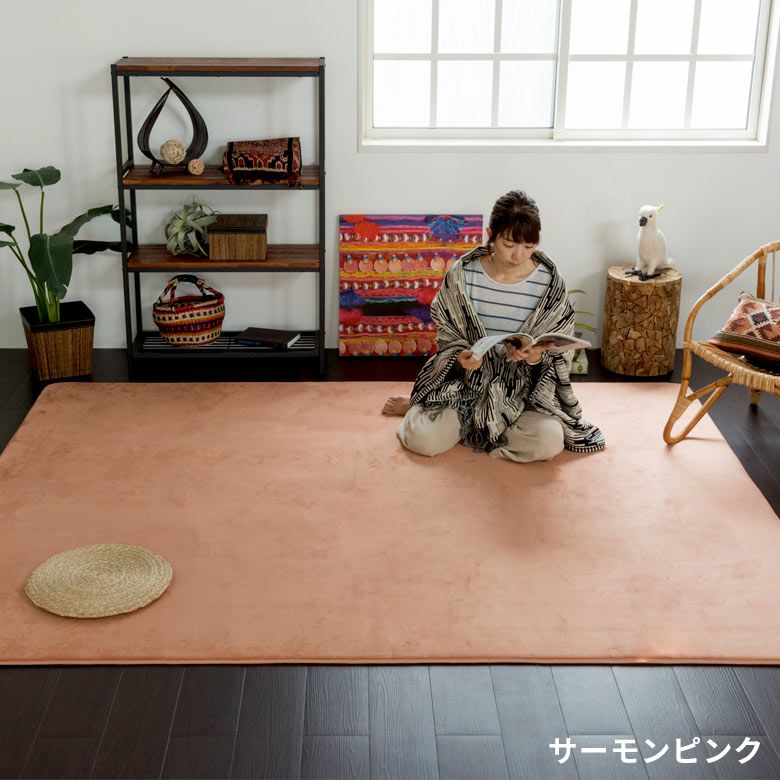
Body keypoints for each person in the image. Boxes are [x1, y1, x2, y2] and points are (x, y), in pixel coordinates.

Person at [382, 190, 605, 462]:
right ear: (491, 234)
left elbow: (558, 348)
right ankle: (429, 411)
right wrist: (461, 358)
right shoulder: (463, 274)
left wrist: (534, 357)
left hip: (521, 394)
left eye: (529, 246)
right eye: (509, 244)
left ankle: (475, 429)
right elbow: (447, 333)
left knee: (548, 442)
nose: (518, 254)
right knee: (423, 440)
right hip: (466, 386)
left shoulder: (549, 281)